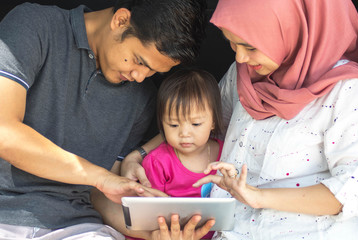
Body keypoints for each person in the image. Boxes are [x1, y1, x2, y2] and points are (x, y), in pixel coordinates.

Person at [122, 0, 358, 239]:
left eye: (250, 46)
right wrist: (138, 154)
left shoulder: (347, 91)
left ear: (292, 30)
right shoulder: (243, 73)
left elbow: (352, 190)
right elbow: (201, 121)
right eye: (233, 44)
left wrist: (257, 196)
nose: (241, 57)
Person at [0, 0, 207, 239]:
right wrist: (100, 177)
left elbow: (101, 194)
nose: (140, 77)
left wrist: (152, 234)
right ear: (120, 20)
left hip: (80, 228)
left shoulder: (143, 98)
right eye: (140, 61)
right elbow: (5, 132)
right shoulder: (34, 25)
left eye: (153, 72)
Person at [129, 68, 224, 240]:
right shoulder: (158, 162)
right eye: (173, 125)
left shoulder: (227, 154)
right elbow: (147, 215)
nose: (184, 133)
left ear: (213, 121)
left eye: (195, 124)